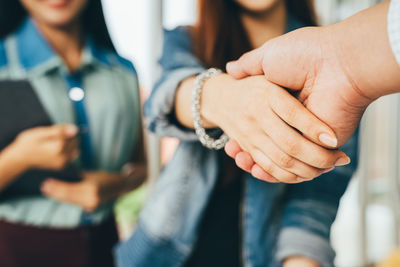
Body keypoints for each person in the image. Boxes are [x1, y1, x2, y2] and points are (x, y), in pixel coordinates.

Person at [115, 0, 358, 266]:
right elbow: (164, 99)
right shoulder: (189, 39)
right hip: (163, 251)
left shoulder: (328, 58)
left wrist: (301, 260)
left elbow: (318, 196)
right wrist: (223, 96)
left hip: (266, 256)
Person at [0, 0, 146, 266]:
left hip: (105, 247)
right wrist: (18, 157)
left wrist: (118, 184)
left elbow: (143, 166)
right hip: (15, 248)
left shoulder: (124, 73)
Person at [225, 0, 400, 178]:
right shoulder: (196, 44)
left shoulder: (318, 51)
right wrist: (222, 97)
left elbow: (322, 194)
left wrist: (340, 62)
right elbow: (196, 84)